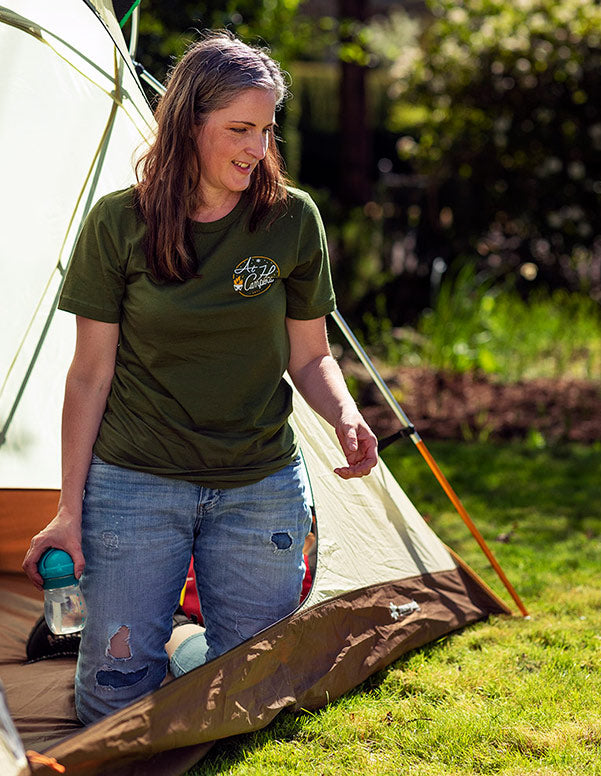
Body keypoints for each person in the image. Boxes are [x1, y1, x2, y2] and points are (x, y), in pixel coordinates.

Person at [20, 31, 379, 725]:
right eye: (239, 129)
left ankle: (187, 646)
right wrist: (70, 508)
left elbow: (309, 355)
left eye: (267, 130)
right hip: (135, 485)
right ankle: (164, 645)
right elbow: (89, 375)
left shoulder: (290, 219)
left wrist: (343, 414)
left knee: (253, 695)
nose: (257, 149)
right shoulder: (118, 222)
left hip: (259, 486)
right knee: (113, 701)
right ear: (187, 123)